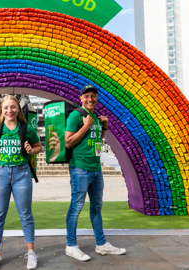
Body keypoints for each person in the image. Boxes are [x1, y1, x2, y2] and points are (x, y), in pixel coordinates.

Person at [64, 84, 126, 261]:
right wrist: (85, 126)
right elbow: (68, 142)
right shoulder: (76, 115)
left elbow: (94, 142)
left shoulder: (96, 118)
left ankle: (101, 244)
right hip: (80, 168)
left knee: (97, 207)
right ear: (81, 98)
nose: (90, 99)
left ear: (96, 98)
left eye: (93, 96)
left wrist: (104, 127)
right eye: (86, 96)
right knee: (76, 207)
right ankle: (71, 245)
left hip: (96, 169)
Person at [0, 95, 42, 270]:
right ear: (1, 110)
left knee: (26, 214)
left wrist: (31, 150)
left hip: (22, 174)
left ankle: (31, 253)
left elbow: (39, 147)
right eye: (6, 108)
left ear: (18, 109)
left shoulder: (26, 128)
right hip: (0, 174)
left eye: (13, 107)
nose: (9, 110)